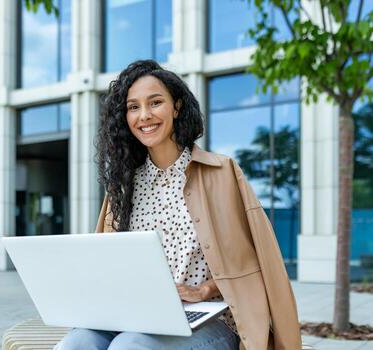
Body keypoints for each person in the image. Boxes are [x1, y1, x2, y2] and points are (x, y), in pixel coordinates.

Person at [55, 60, 301, 350]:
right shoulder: (123, 185)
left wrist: (202, 290)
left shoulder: (222, 173)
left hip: (211, 319)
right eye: (133, 107)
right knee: (76, 342)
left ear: (177, 106)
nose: (144, 116)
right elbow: (107, 265)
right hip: (139, 316)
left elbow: (258, 263)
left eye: (155, 102)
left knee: (130, 346)